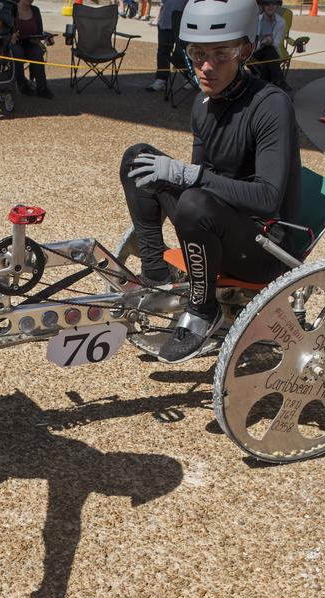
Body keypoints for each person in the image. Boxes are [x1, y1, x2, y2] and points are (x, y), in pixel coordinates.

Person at [120, 0, 301, 364]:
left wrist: (189, 175)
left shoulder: (271, 105)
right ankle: (155, 272)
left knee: (193, 201)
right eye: (197, 53)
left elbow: (266, 198)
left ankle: (204, 311)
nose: (206, 66)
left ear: (245, 51)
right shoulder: (203, 104)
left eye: (221, 54)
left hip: (264, 247)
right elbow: (206, 182)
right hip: (217, 226)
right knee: (136, 158)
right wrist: (187, 177)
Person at [10, 0, 54, 98]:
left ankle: (42, 88)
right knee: (17, 53)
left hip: (31, 42)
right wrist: (11, 36)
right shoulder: (12, 9)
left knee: (37, 52)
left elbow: (40, 31)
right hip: (15, 42)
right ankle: (22, 85)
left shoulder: (35, 10)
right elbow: (6, 29)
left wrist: (46, 38)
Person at [144, 0, 186, 93]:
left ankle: (189, 76)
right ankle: (161, 79)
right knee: (163, 52)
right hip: (165, 22)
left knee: (185, 52)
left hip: (184, 24)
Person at [251, 0, 285, 87]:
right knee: (270, 51)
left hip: (271, 53)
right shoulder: (256, 20)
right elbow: (252, 44)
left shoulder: (281, 22)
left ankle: (265, 84)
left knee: (269, 53)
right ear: (263, 6)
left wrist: (271, 41)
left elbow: (277, 44)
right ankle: (279, 82)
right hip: (255, 52)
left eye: (274, 3)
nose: (271, 6)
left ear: (277, 5)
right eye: (267, 4)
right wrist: (263, 42)